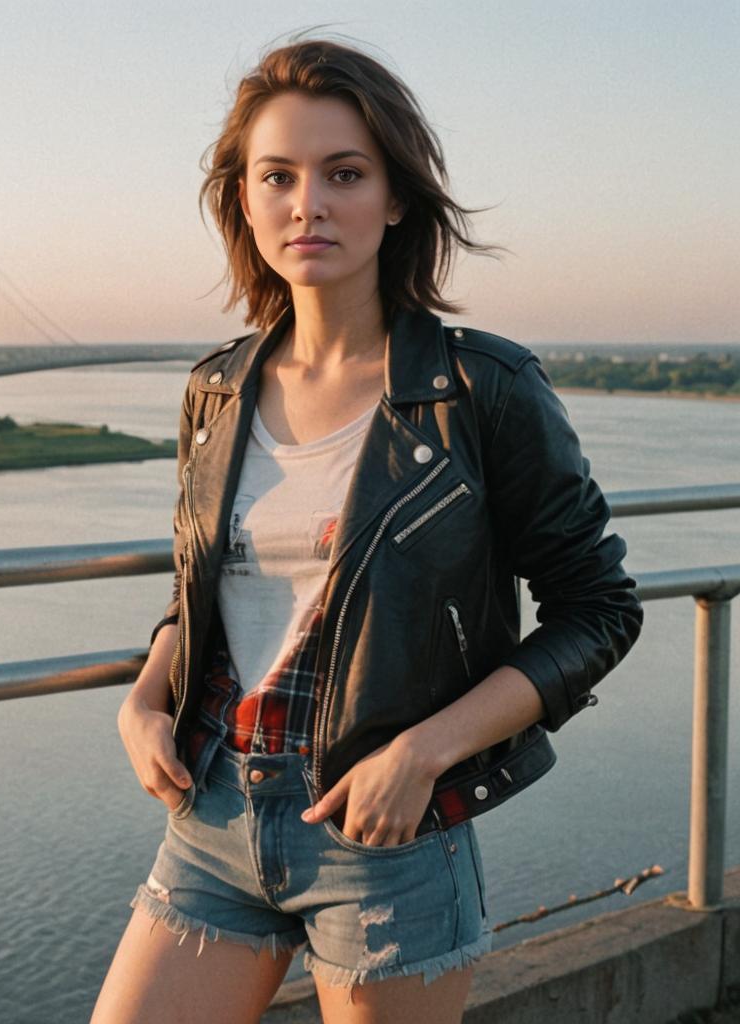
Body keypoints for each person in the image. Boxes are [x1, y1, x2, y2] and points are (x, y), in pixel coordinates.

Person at [92, 34, 643, 1024]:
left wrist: (423, 753)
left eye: (343, 173)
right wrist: (142, 702)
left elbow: (597, 610)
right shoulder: (215, 390)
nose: (309, 202)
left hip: (384, 834)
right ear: (246, 201)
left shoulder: (482, 389)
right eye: (279, 175)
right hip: (210, 812)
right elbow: (202, 596)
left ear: (395, 199)